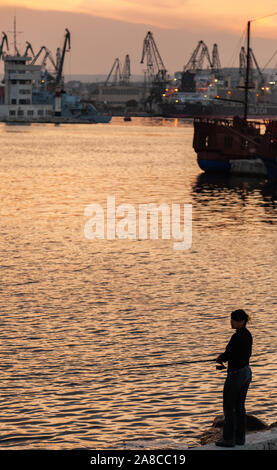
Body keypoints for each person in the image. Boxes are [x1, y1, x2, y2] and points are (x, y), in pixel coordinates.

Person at [215, 309, 253, 447]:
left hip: (236, 375)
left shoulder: (236, 337)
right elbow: (236, 353)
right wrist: (224, 357)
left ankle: (229, 439)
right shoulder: (248, 335)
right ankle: (240, 439)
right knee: (240, 407)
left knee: (229, 407)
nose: (231, 322)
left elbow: (229, 353)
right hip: (246, 372)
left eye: (234, 319)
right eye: (231, 319)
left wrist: (221, 358)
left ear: (242, 321)